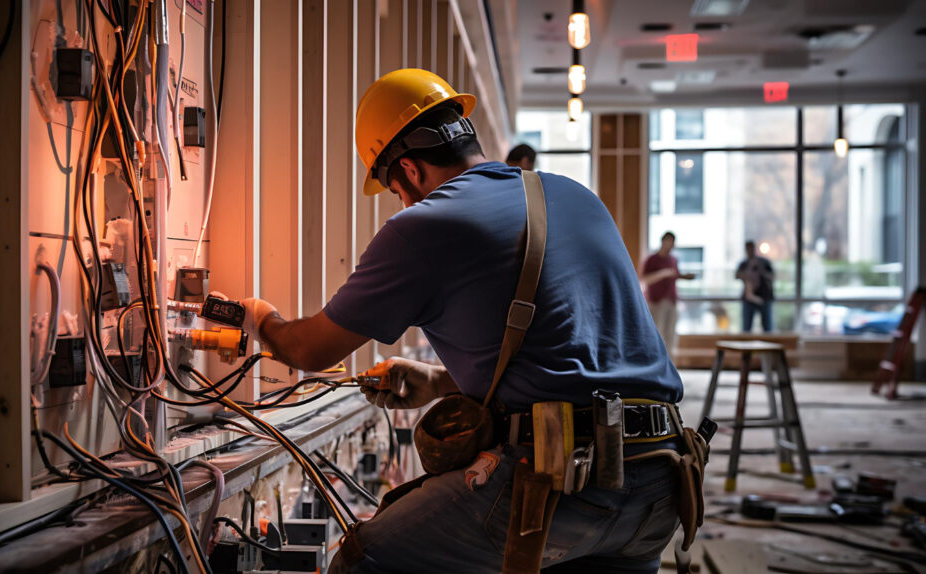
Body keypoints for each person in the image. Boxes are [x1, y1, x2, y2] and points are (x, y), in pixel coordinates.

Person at [241, 69, 685, 573]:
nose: (402, 201)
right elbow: (578, 354)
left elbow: (309, 349)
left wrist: (259, 317)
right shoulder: (574, 196)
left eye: (394, 189)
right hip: (660, 479)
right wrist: (437, 382)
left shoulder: (424, 225)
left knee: (368, 559)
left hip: (561, 482)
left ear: (408, 170)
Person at [640, 231, 695, 353]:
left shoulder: (673, 260)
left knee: (671, 335)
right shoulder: (651, 259)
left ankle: (670, 365)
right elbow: (644, 279)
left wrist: (685, 276)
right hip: (656, 302)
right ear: (663, 241)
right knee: (656, 334)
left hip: (671, 301)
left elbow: (675, 275)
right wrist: (664, 273)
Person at [735, 240, 775, 333]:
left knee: (767, 327)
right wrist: (748, 273)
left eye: (751, 248)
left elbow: (772, 276)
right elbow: (737, 275)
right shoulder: (744, 264)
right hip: (749, 299)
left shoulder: (764, 262)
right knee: (746, 328)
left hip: (764, 297)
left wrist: (761, 271)